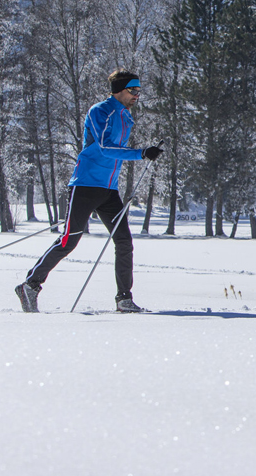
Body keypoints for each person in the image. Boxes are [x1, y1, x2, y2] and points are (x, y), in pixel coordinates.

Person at [15, 69, 163, 313]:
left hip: (108, 190)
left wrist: (145, 152)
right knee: (68, 241)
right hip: (85, 185)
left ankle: (124, 299)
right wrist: (141, 153)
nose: (137, 95)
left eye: (139, 91)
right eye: (133, 90)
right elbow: (104, 147)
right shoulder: (100, 111)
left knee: (124, 241)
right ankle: (30, 286)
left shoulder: (126, 116)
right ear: (119, 90)